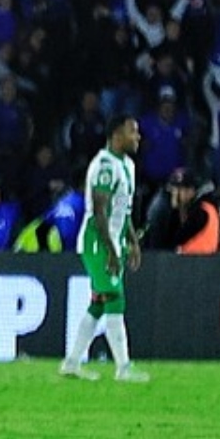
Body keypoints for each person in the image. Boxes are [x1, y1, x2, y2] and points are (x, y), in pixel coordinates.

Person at [59, 114, 150, 383]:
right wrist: (111, 249)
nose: (137, 137)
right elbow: (99, 212)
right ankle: (123, 368)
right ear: (117, 134)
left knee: (98, 302)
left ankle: (72, 362)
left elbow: (124, 210)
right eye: (133, 132)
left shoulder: (128, 166)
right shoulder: (104, 166)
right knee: (114, 298)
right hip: (99, 241)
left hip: (114, 239)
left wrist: (132, 241)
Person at [163, 167, 220, 255]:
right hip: (192, 262)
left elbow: (177, 239)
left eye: (181, 189)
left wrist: (176, 210)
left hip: (200, 262)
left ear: (192, 191)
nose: (176, 194)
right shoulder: (188, 211)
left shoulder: (202, 211)